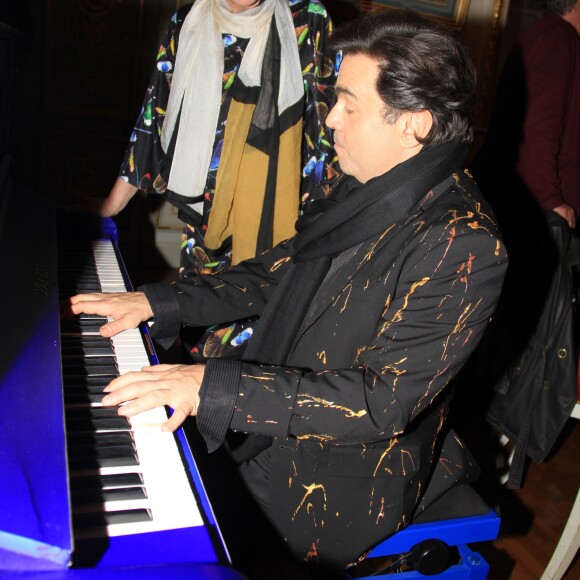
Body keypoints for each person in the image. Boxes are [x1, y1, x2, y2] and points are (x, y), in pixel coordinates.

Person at [69, 8, 508, 575]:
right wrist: (162, 301)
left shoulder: (465, 243)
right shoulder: (365, 189)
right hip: (278, 424)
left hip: (334, 481)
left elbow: (382, 402)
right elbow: (275, 271)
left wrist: (214, 385)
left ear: (414, 125)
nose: (330, 121)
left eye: (349, 104)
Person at [469, 0, 580, 489]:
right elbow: (539, 131)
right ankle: (490, 464)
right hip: (536, 217)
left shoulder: (543, 35)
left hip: (521, 210)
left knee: (509, 346)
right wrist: (556, 203)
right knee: (523, 348)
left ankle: (487, 459)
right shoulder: (559, 40)